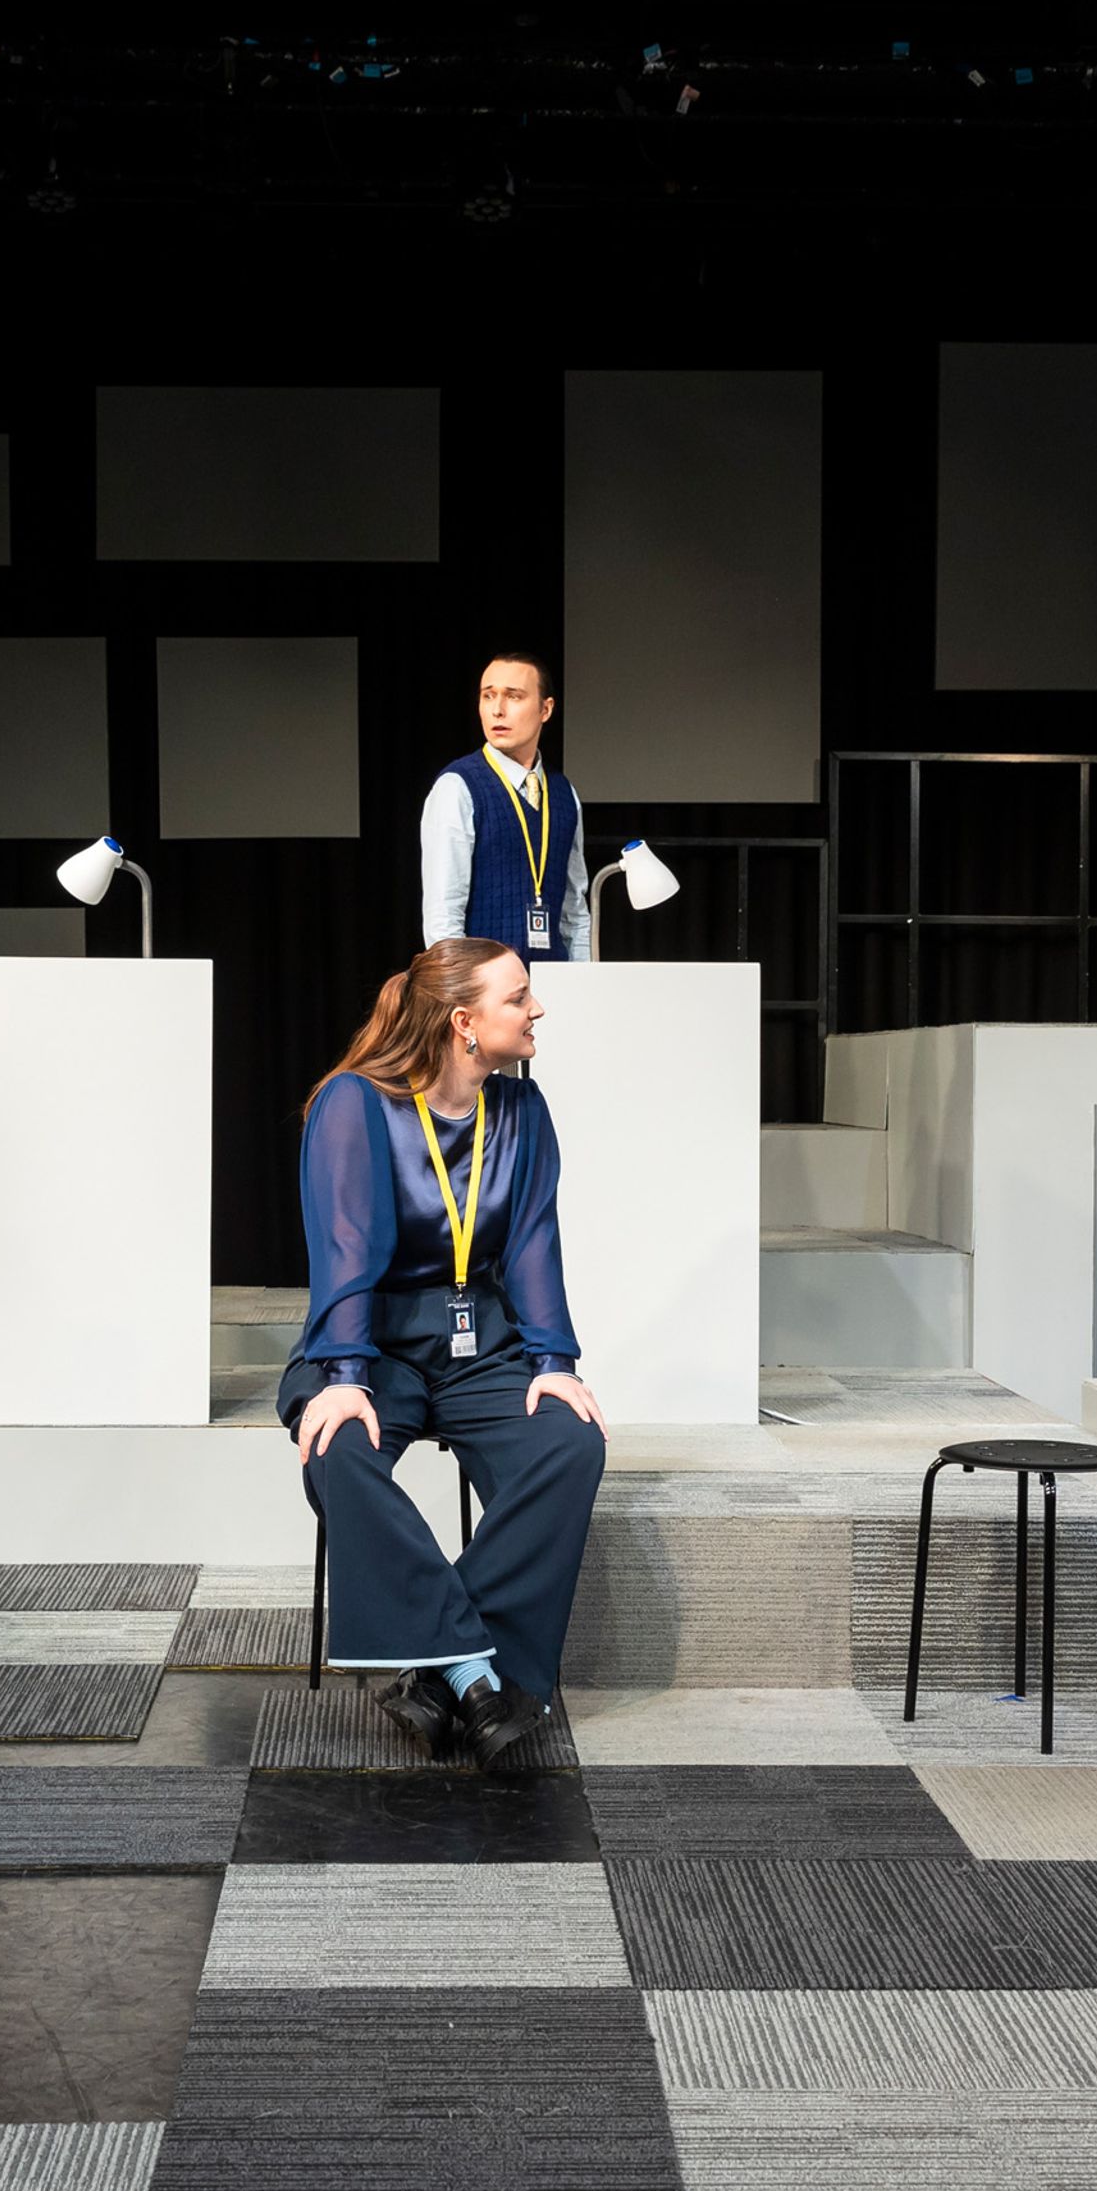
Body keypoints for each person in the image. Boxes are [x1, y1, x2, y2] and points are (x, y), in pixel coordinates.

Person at [283, 938, 608, 1772]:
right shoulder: (355, 1103)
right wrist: (345, 1377)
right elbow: (345, 1246)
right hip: (372, 1341)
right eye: (518, 998)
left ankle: (434, 1670)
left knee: (571, 1444)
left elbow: (534, 1243)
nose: (536, 1010)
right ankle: (475, 1671)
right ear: (464, 1023)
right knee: (338, 1452)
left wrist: (554, 1363)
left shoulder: (524, 1112)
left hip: (480, 1344)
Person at [420, 650, 591, 962]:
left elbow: (574, 913)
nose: (497, 710)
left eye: (513, 697)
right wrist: (463, 994)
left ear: (545, 709)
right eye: (488, 696)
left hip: (557, 990)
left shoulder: (565, 794)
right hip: (486, 996)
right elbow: (443, 915)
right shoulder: (458, 786)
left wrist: (582, 985)